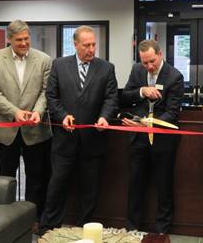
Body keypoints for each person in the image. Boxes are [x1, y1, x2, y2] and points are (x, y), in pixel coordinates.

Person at [38, 25, 118, 233]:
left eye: (94, 44)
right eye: (86, 45)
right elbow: (51, 97)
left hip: (93, 140)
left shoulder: (106, 68)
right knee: (57, 184)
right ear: (75, 44)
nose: (91, 49)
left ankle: (85, 228)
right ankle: (49, 227)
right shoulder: (59, 65)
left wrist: (104, 117)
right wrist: (63, 116)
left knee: (90, 188)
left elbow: (111, 98)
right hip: (64, 140)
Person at [0, 20, 52, 221]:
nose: (24, 43)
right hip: (6, 130)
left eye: (26, 38)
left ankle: (32, 219)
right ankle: (5, 219)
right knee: (6, 177)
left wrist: (38, 112)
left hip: (36, 130)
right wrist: (15, 112)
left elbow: (46, 91)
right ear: (9, 39)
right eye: (19, 40)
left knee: (36, 177)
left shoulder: (44, 59)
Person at [121, 39, 184, 234]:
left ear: (160, 54)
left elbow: (172, 113)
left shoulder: (175, 76)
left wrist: (147, 122)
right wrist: (141, 91)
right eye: (144, 62)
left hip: (163, 139)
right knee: (136, 183)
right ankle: (132, 227)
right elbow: (125, 96)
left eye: (152, 62)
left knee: (163, 185)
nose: (148, 66)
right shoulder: (137, 71)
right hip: (139, 139)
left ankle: (162, 230)